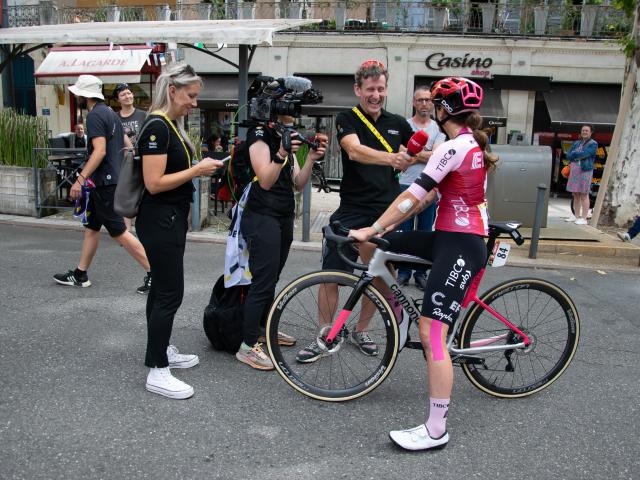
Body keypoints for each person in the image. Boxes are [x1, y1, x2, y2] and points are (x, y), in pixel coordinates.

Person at [350, 77, 496, 451]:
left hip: (462, 245)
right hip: (448, 237)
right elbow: (426, 199)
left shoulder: (453, 146)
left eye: (435, 103)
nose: (431, 108)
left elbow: (412, 194)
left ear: (444, 109)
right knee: (383, 244)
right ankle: (396, 309)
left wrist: (373, 225)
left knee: (432, 334)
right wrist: (385, 230)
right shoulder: (464, 144)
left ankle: (436, 429)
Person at [295, 59, 413, 363]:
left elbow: (417, 153)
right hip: (350, 209)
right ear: (358, 90)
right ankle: (326, 333)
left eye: (381, 89)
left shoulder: (399, 123)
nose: (376, 94)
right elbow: (354, 150)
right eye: (370, 89)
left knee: (378, 276)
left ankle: (361, 330)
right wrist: (393, 159)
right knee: (331, 274)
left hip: (385, 212)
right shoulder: (348, 117)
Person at [136, 64, 225, 399]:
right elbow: (153, 183)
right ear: (172, 90)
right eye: (191, 95)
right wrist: (197, 170)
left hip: (167, 218)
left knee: (161, 289)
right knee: (170, 292)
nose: (195, 103)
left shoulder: (169, 125)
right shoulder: (158, 126)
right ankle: (158, 370)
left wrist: (198, 170)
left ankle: (161, 349)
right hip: (160, 219)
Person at [235, 79, 328, 370]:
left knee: (271, 278)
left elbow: (297, 184)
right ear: (276, 106)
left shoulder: (285, 133)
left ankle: (264, 329)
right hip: (261, 216)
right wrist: (282, 153)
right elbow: (265, 178)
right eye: (293, 105)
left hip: (282, 214)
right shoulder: (260, 134)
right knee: (262, 282)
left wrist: (310, 157)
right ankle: (248, 345)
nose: (297, 111)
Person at [53, 75, 152, 294]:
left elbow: (100, 151)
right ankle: (80, 274)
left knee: (119, 232)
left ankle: (155, 274)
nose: (75, 96)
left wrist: (79, 179)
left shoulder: (95, 115)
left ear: (84, 95)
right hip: (108, 180)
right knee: (92, 227)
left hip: (105, 182)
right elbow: (127, 145)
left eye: (77, 93)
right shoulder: (109, 113)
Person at [397, 86, 446, 291]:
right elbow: (400, 151)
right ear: (414, 103)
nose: (424, 104)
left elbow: (436, 156)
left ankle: (420, 274)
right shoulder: (404, 125)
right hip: (405, 184)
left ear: (432, 103)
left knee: (425, 233)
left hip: (429, 186)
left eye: (427, 100)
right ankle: (403, 272)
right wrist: (424, 153)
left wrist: (413, 153)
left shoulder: (439, 129)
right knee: (405, 232)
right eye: (420, 100)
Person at [113, 83, 147, 233]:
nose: (127, 96)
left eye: (129, 93)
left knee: (144, 190)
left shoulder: (143, 115)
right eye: (123, 95)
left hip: (142, 159)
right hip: (124, 161)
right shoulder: (115, 118)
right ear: (118, 99)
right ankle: (126, 230)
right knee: (127, 191)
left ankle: (143, 225)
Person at [565, 125, 597, 225]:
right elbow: (568, 155)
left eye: (587, 130)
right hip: (574, 170)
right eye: (583, 130)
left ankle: (584, 218)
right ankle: (576, 216)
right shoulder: (576, 143)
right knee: (575, 194)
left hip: (585, 171)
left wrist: (575, 154)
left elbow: (585, 154)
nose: (584, 132)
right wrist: (576, 154)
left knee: (584, 194)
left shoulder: (593, 144)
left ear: (591, 132)